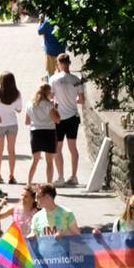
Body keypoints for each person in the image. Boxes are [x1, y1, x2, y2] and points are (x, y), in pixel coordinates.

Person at [49, 53, 85, 185]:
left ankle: (60, 177)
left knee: (58, 148)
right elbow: (81, 100)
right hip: (73, 117)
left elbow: (51, 98)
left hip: (59, 118)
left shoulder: (53, 79)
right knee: (73, 147)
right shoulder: (76, 79)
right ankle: (74, 176)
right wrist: (72, 99)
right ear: (69, 63)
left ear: (58, 64)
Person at [24, 82, 59, 186]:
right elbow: (56, 120)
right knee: (49, 162)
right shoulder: (48, 105)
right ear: (47, 92)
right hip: (48, 132)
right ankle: (49, 184)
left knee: (34, 160)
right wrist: (55, 108)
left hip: (35, 132)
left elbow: (26, 122)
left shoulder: (29, 104)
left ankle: (28, 183)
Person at [0, 72, 23, 185]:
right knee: (11, 150)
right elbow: (19, 110)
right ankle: (11, 175)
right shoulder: (17, 93)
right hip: (12, 124)